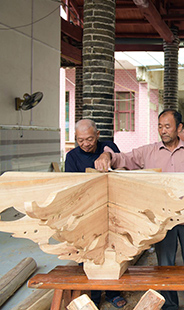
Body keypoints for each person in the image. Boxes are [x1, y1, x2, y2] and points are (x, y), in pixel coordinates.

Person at [94, 109, 184, 310]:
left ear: (179, 128)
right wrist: (106, 156)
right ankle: (169, 305)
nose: (163, 131)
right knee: (165, 265)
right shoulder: (148, 151)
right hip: (162, 219)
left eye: (168, 126)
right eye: (160, 126)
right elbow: (123, 159)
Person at [65, 119, 126, 309]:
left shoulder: (109, 148)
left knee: (113, 251)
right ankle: (94, 294)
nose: (85, 144)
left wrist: (109, 158)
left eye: (89, 139)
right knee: (90, 251)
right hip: (86, 211)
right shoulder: (72, 157)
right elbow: (71, 188)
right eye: (80, 140)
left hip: (112, 209)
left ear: (97, 135)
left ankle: (113, 292)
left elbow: (123, 169)